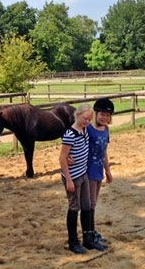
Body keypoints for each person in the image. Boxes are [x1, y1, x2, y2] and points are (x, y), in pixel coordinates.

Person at [59, 103, 106, 254]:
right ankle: (73, 241)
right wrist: (69, 179)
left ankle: (88, 239)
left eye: (89, 119)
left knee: (86, 206)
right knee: (74, 207)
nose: (87, 122)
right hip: (73, 176)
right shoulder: (70, 134)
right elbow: (62, 158)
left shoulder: (84, 130)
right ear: (77, 115)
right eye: (85, 118)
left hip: (83, 173)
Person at [87, 98, 114, 245]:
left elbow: (104, 152)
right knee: (90, 202)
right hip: (88, 170)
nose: (104, 117)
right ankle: (89, 232)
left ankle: (92, 230)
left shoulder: (106, 130)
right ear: (96, 114)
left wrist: (107, 170)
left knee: (94, 202)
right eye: (102, 114)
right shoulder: (89, 129)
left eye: (107, 115)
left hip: (98, 171)